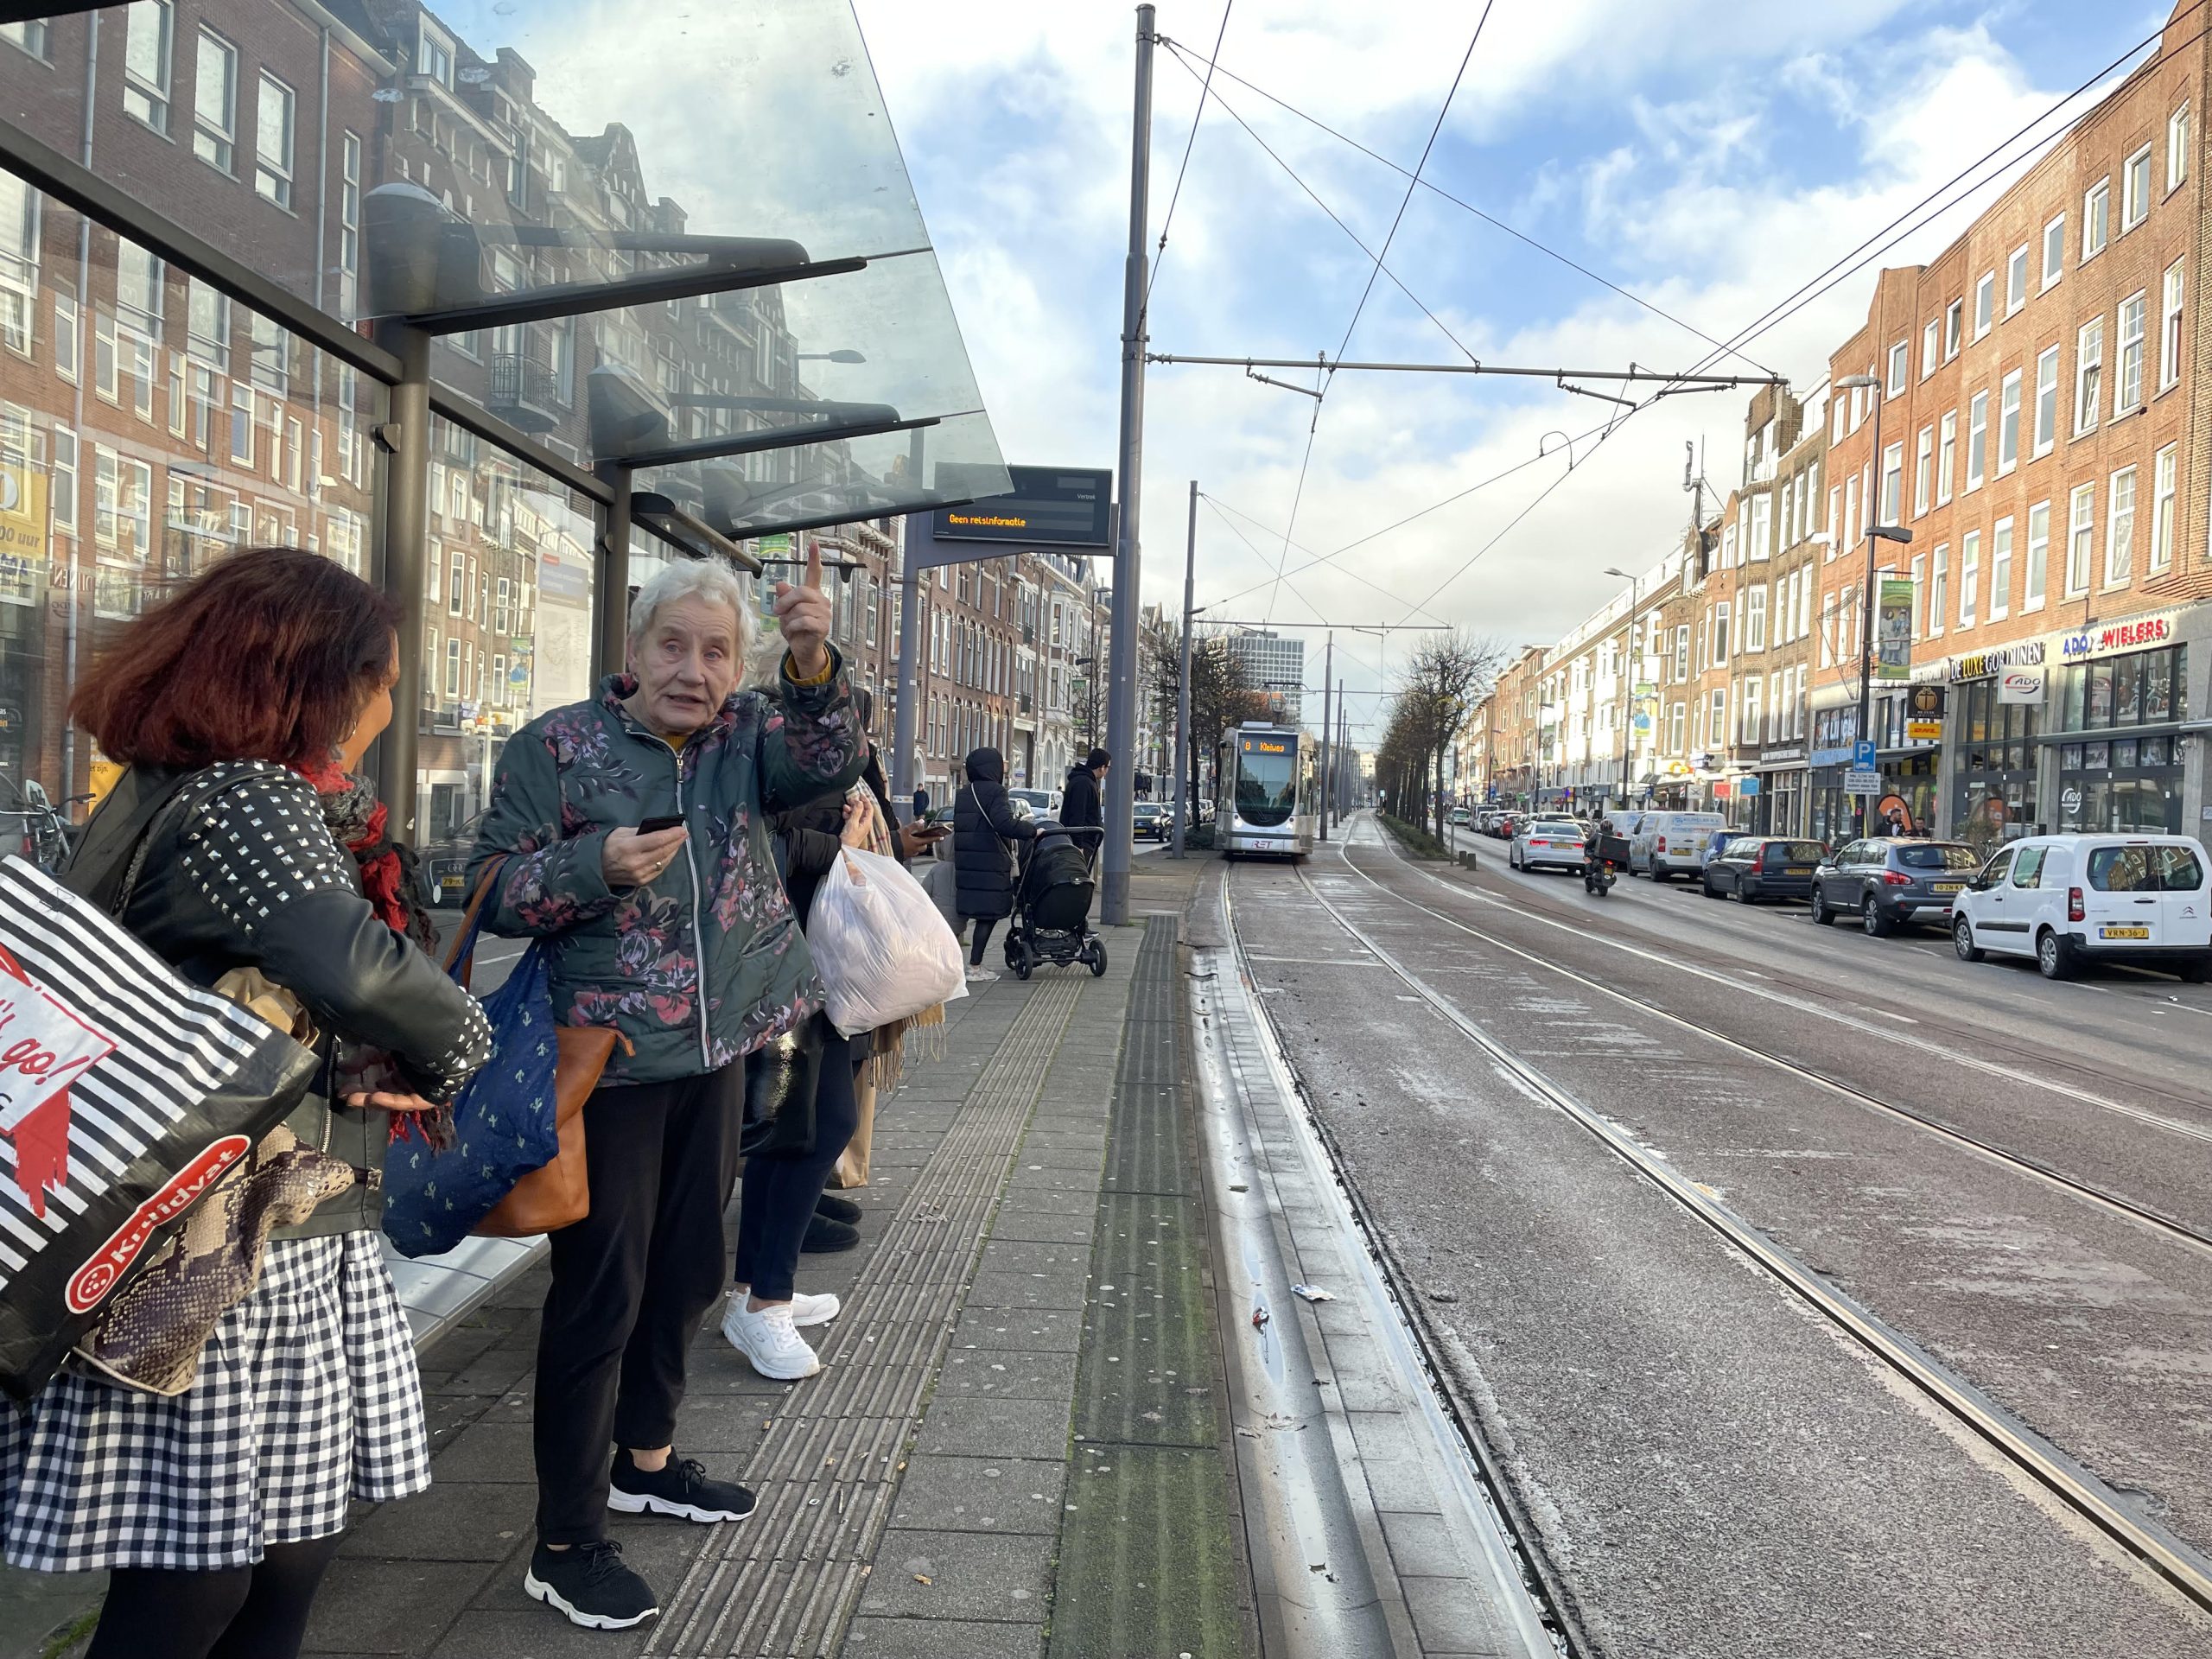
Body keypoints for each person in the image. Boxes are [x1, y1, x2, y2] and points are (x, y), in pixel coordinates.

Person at [2, 549, 493, 1659]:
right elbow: (363, 972)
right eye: (381, 684)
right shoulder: (248, 797)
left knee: (267, 1562)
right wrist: (463, 1042)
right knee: (211, 1584)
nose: (384, 711)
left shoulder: (165, 788)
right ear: (323, 685)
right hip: (232, 1251)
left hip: (235, 1225)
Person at [468, 550, 860, 1632]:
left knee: (689, 1271)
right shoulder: (556, 748)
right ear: (633, 652)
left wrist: (813, 656)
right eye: (674, 646)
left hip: (719, 1051)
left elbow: (828, 759)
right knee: (601, 1292)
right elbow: (491, 887)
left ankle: (645, 1460)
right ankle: (565, 1537)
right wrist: (596, 865)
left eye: (717, 652)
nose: (694, 670)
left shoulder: (747, 742)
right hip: (611, 1064)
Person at [953, 747, 1035, 983]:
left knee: (972, 914)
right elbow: (1004, 824)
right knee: (987, 915)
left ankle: (954, 963)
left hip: (968, 862)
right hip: (989, 862)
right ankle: (975, 967)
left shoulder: (965, 793)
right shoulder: (996, 792)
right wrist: (1031, 830)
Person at [1061, 747, 1109, 830]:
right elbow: (1077, 817)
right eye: (1108, 767)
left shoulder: (1084, 781)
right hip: (1083, 840)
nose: (1108, 771)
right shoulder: (1084, 784)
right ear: (1102, 768)